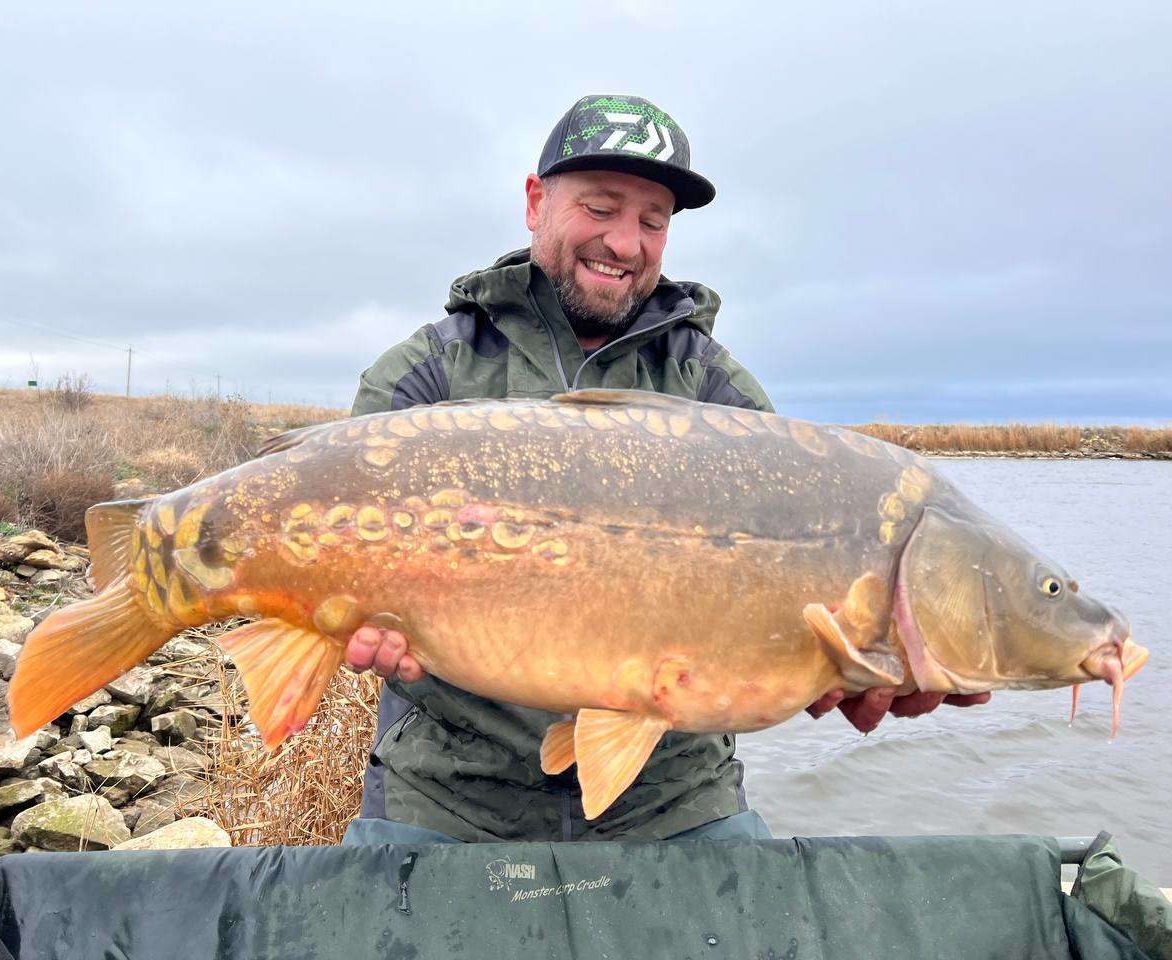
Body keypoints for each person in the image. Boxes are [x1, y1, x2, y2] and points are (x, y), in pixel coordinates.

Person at [338, 95, 989, 846]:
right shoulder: (428, 373)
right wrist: (357, 618)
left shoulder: (721, 398)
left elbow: (788, 616)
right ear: (535, 201)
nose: (625, 242)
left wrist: (841, 666)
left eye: (653, 221)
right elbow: (343, 550)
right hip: (447, 792)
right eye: (602, 207)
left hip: (674, 801)